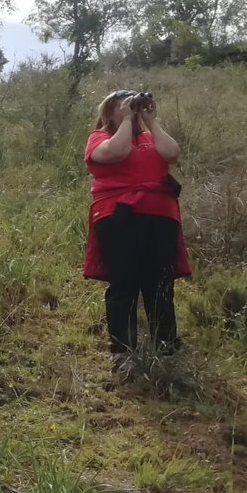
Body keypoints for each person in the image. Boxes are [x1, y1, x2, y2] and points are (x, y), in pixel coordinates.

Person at [83, 89, 188, 374]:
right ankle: (123, 354)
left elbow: (172, 153)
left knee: (161, 284)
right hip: (119, 218)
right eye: (124, 105)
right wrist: (128, 121)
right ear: (109, 112)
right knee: (124, 283)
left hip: (160, 217)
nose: (132, 109)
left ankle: (166, 350)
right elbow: (118, 152)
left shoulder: (151, 136)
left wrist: (151, 121)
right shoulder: (100, 138)